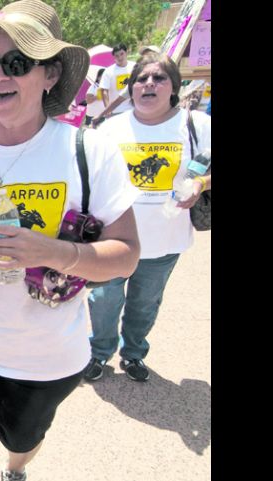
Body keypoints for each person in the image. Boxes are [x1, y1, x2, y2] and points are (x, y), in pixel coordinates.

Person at [0, 1, 141, 481]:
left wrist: (53, 252)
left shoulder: (89, 151)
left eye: (17, 62)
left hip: (47, 359)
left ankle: (20, 463)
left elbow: (128, 255)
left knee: (23, 438)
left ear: (50, 75)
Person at [83, 53, 211, 383]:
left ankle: (134, 353)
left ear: (174, 87)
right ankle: (99, 353)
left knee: (144, 305)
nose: (148, 84)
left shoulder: (196, 124)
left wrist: (200, 182)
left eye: (158, 78)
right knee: (102, 300)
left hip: (164, 241)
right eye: (140, 79)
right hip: (112, 241)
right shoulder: (110, 129)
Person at [96, 43, 135, 121]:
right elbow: (104, 91)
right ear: (114, 57)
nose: (120, 57)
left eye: (122, 54)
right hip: (116, 110)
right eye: (117, 55)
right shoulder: (108, 71)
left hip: (133, 108)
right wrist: (108, 109)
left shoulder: (135, 66)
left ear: (126, 53)